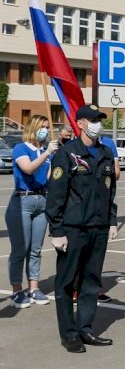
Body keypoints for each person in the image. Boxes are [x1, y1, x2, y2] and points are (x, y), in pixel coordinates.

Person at [46, 104, 118, 352]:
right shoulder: (67, 154)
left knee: (90, 282)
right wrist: (56, 230)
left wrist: (111, 220)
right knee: (66, 283)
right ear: (82, 124)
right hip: (73, 228)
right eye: (93, 119)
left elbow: (110, 191)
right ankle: (69, 334)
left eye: (100, 119)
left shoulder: (106, 153)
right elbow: (56, 196)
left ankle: (85, 328)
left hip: (98, 227)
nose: (98, 123)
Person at [6, 115, 58, 309]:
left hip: (41, 201)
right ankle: (17, 290)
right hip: (22, 201)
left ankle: (34, 288)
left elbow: (47, 178)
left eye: (46, 127)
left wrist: (54, 160)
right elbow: (28, 169)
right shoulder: (21, 148)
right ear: (34, 128)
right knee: (20, 249)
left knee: (36, 249)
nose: (45, 131)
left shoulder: (45, 151)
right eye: (42, 128)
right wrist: (46, 155)